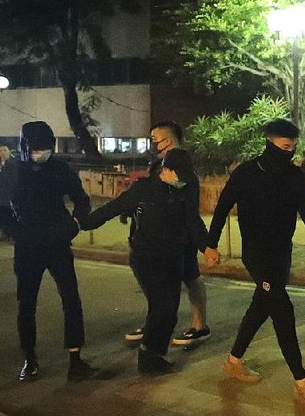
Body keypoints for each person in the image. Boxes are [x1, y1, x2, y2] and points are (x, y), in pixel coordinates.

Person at [205, 119, 305, 409]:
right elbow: (222, 207)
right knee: (282, 309)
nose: (289, 152)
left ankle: (233, 361)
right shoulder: (246, 173)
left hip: (282, 254)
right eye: (283, 147)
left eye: (292, 148)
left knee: (261, 305)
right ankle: (301, 381)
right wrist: (210, 244)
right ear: (269, 142)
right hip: (257, 255)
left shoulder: (294, 177)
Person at [80, 148, 209, 375]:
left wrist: (207, 246)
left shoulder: (185, 189)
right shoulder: (143, 189)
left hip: (174, 255)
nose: (182, 181)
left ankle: (155, 355)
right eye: (178, 175)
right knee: (162, 306)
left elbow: (193, 221)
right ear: (166, 171)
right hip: (146, 257)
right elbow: (112, 208)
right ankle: (148, 356)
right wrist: (85, 223)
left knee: (169, 309)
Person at [0, 121, 96, 382]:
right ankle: (30, 359)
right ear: (25, 147)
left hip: (58, 242)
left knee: (71, 299)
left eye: (47, 148)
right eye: (37, 149)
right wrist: (20, 234)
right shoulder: (12, 171)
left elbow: (81, 199)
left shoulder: (58, 168)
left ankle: (75, 357)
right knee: (26, 304)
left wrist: (74, 225)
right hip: (28, 247)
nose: (42, 153)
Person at [123, 121, 211, 347]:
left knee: (190, 277)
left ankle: (198, 326)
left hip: (180, 235)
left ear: (168, 140)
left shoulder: (181, 163)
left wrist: (205, 244)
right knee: (158, 281)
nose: (153, 144)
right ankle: (156, 323)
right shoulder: (159, 163)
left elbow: (187, 200)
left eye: (155, 139)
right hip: (157, 235)